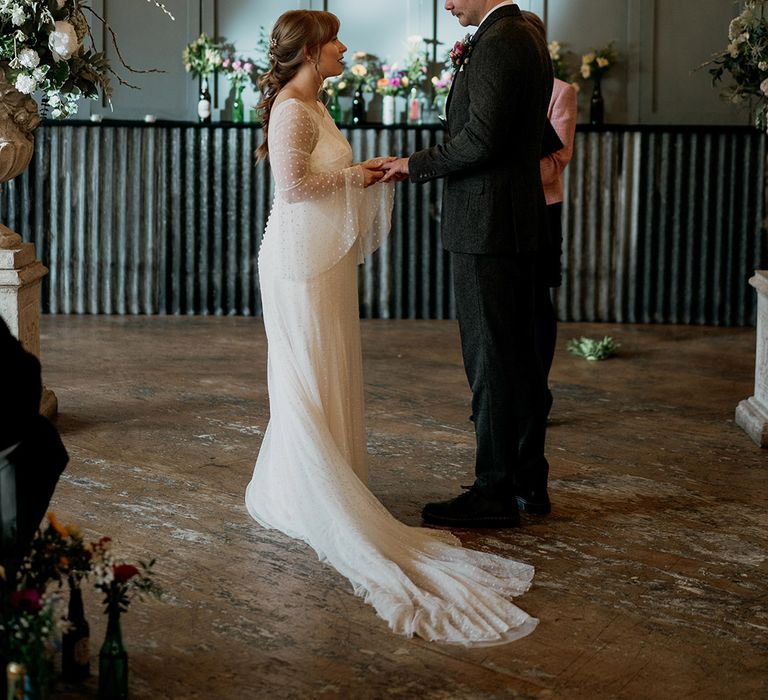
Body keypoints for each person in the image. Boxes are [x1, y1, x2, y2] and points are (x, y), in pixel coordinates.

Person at [245, 9, 537, 645]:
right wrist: (364, 173)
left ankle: (336, 477)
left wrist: (373, 170)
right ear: (312, 49)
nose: (345, 48)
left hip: (326, 262)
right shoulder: (293, 109)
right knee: (306, 371)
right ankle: (306, 489)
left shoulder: (315, 106)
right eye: (335, 40)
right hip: (299, 262)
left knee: (330, 367)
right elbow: (294, 188)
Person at [381, 1, 555, 526]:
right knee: (519, 358)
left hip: (489, 226)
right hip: (513, 219)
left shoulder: (502, 39)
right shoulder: (523, 32)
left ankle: (493, 492)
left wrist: (414, 165)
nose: (447, 2)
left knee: (491, 361)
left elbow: (482, 139)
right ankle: (527, 478)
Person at [523, 10, 578, 419]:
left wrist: (505, 167)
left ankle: (537, 392)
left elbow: (556, 160)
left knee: (537, 299)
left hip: (542, 208)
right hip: (500, 208)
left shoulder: (561, 92)